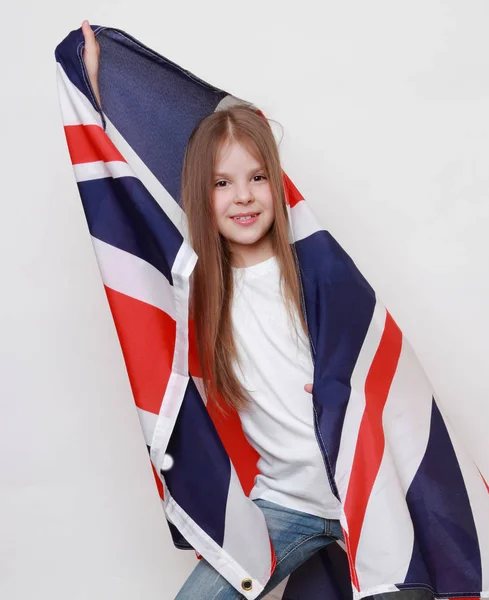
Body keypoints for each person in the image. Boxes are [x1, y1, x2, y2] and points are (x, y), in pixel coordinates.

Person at [81, 20, 394, 600]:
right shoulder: (197, 281)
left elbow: (373, 360)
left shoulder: (315, 268)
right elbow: (129, 189)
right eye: (223, 183)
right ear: (201, 193)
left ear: (277, 184)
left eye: (256, 178)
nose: (243, 196)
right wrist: (101, 87)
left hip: (366, 494)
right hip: (287, 505)